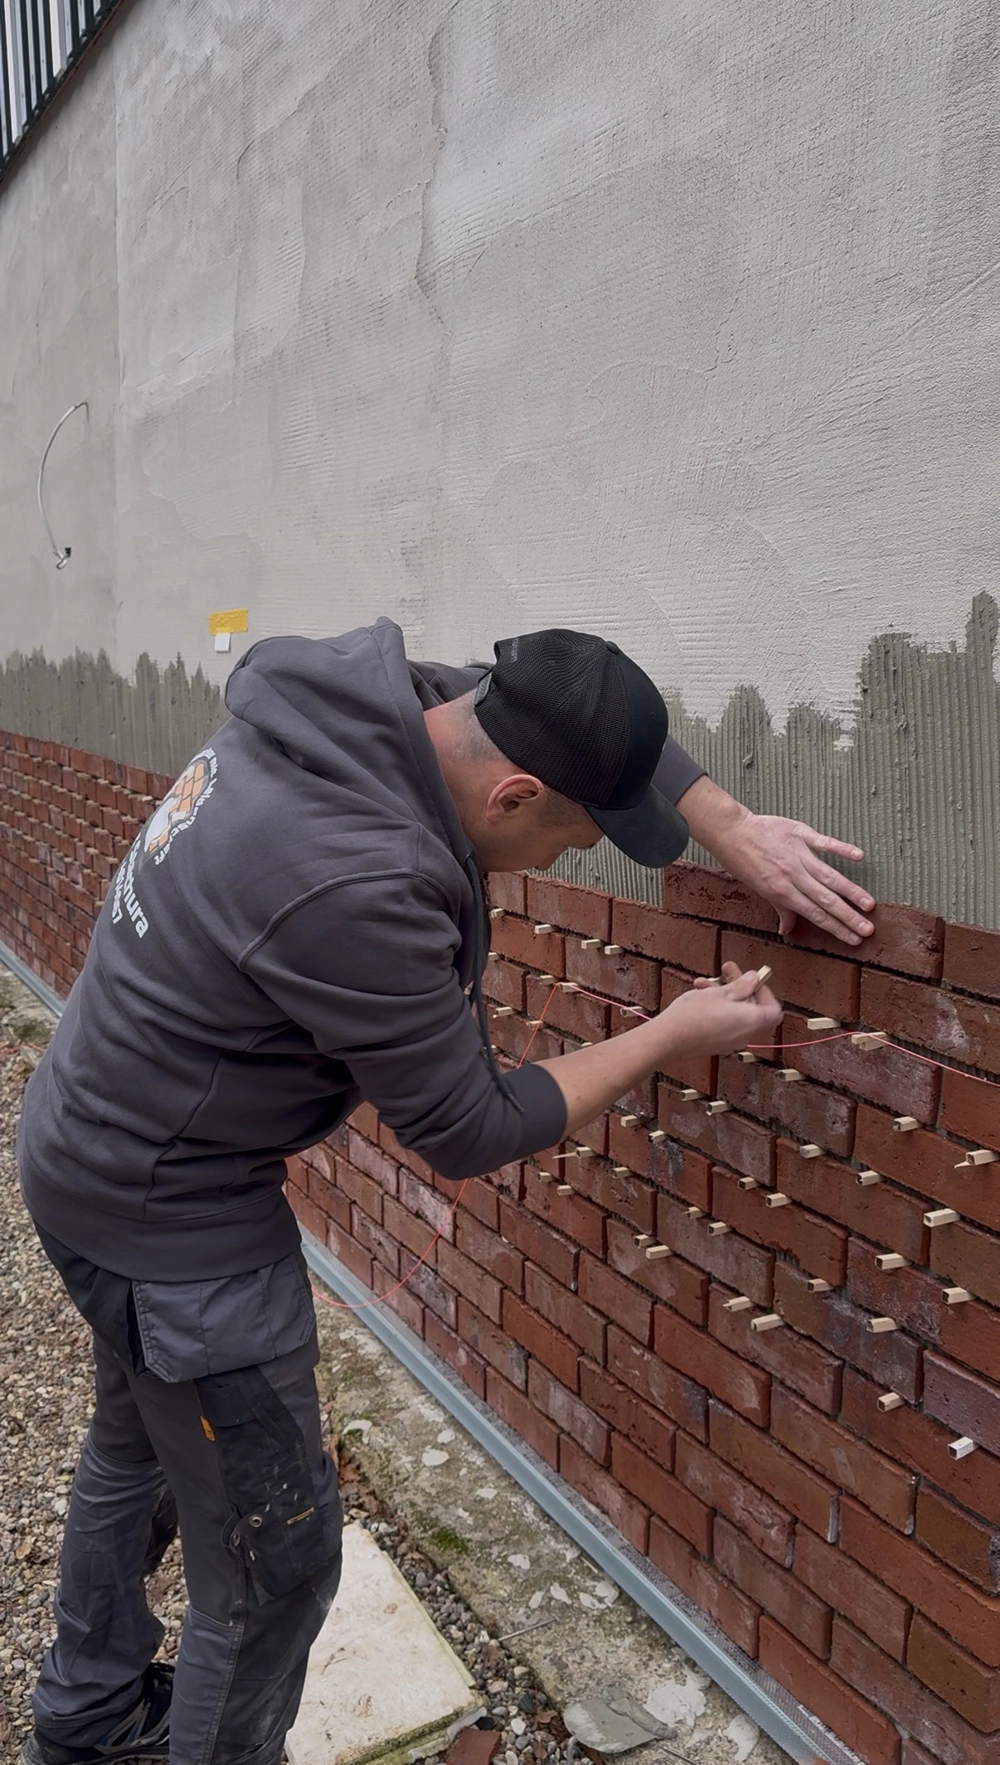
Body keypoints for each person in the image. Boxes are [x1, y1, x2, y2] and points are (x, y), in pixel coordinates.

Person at [16, 621, 872, 1765]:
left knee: (141, 1448)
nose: (563, 864)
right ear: (514, 796)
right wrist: (673, 1031)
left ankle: (89, 1717)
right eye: (570, 840)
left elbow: (585, 697)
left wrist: (730, 825)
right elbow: (471, 1125)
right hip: (175, 1223)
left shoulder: (401, 703)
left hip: (87, 1146)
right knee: (273, 1567)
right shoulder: (355, 880)